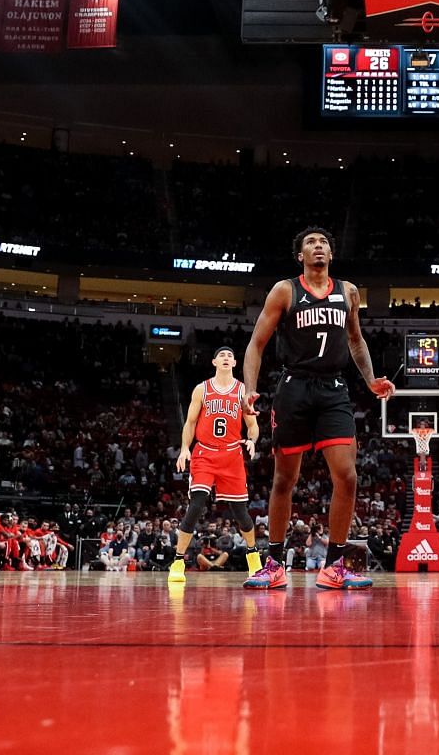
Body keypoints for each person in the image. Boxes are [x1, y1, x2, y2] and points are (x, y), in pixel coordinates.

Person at [240, 227, 395, 592]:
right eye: (311, 243)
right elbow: (255, 345)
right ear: (301, 256)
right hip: (294, 388)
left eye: (323, 242)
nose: (318, 247)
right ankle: (274, 563)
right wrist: (250, 389)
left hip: (334, 389)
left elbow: (356, 341)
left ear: (331, 253)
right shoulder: (285, 290)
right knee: (284, 480)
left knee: (348, 476)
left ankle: (335, 565)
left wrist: (370, 380)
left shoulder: (348, 292)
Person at [169, 347, 261, 585]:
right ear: (213, 361)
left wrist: (252, 441)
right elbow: (190, 422)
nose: (226, 358)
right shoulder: (202, 389)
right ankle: (178, 561)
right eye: (222, 355)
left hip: (231, 454)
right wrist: (184, 448)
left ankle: (253, 558)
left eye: (230, 356)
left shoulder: (242, 390)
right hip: (205, 454)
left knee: (241, 513)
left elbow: (253, 425)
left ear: (235, 362)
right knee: (196, 505)